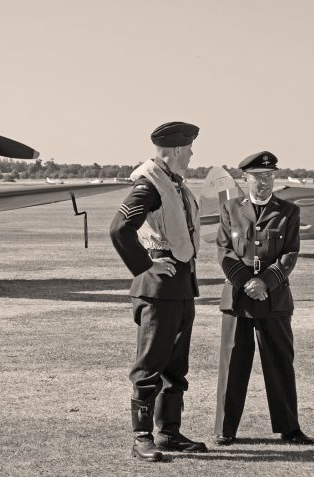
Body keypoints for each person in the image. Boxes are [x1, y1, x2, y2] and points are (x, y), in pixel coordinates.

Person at [110, 121, 207, 462]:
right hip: (158, 288)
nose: (193, 153)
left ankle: (168, 432)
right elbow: (121, 228)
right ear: (178, 150)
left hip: (180, 285)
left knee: (175, 366)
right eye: (190, 148)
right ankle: (142, 437)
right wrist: (146, 265)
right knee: (150, 365)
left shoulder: (173, 183)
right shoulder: (149, 184)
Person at [213, 151, 313, 446]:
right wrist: (246, 282)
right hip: (238, 298)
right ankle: (225, 429)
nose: (264, 182)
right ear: (245, 178)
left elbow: (290, 253)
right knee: (232, 364)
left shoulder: (288, 211)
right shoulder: (230, 208)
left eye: (269, 176)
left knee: (280, 363)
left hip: (274, 297)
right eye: (258, 177)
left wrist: (265, 282)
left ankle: (289, 427)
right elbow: (224, 251)